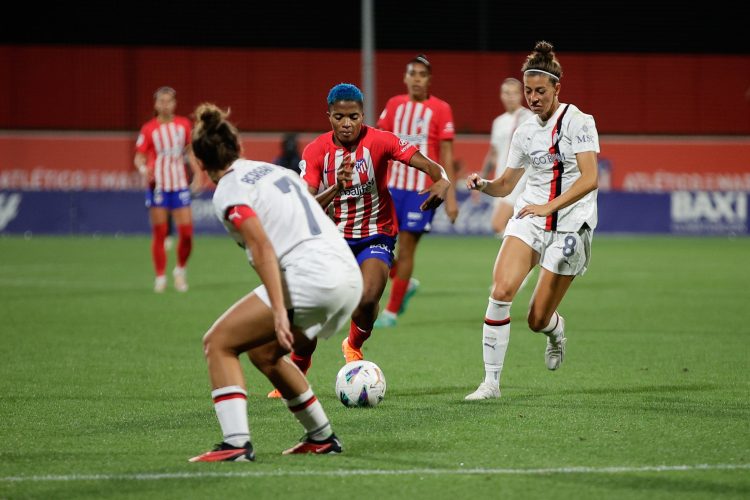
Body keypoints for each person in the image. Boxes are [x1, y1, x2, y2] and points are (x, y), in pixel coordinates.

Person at [188, 103, 363, 461]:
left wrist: (280, 312)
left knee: (218, 342)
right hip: (346, 274)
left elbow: (260, 244)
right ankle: (322, 437)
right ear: (238, 147)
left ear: (200, 163)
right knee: (265, 353)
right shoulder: (271, 171)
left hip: (311, 275)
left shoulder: (228, 190)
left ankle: (235, 443)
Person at [263, 83, 450, 399]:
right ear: (330, 117)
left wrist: (441, 180)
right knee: (312, 311)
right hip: (332, 239)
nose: (347, 123)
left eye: (353, 116)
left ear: (363, 115)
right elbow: (306, 205)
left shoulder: (380, 140)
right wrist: (337, 187)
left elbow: (428, 164)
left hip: (377, 233)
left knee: (367, 298)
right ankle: (298, 367)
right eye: (339, 117)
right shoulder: (316, 151)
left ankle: (353, 344)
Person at [464, 41, 600, 400]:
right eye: (528, 90)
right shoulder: (523, 131)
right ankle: (490, 383)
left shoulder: (579, 121)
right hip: (531, 218)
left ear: (557, 88)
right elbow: (507, 183)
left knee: (536, 319)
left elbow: (590, 178)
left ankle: (555, 331)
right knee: (500, 291)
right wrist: (485, 184)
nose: (533, 97)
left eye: (541, 90)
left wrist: (549, 207)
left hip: (571, 224)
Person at [374, 54, 459, 329]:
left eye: (423, 75)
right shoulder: (394, 105)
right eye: (413, 74)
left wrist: (451, 196)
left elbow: (447, 154)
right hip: (391, 188)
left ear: (429, 80)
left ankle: (391, 311)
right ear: (405, 78)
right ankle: (404, 283)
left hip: (421, 190)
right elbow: (379, 142)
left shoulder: (441, 109)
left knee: (408, 246)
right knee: (382, 247)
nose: (417, 79)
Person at [134, 86, 201, 293]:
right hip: (158, 187)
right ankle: (160, 277)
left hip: (180, 184)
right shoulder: (148, 129)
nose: (165, 104)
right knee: (160, 233)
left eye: (169, 100)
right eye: (161, 101)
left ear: (174, 103)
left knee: (187, 234)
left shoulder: (184, 125)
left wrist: (198, 174)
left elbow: (190, 152)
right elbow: (139, 157)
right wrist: (144, 169)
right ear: (155, 104)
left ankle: (180, 271)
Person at [479, 78, 533, 236]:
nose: (510, 97)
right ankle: (518, 257)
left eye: (514, 93)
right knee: (510, 227)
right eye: (507, 93)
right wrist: (482, 179)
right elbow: (494, 153)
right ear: (501, 95)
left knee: (498, 224)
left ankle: (517, 256)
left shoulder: (528, 118)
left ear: (521, 95)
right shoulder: (498, 122)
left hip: (519, 180)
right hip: (500, 178)